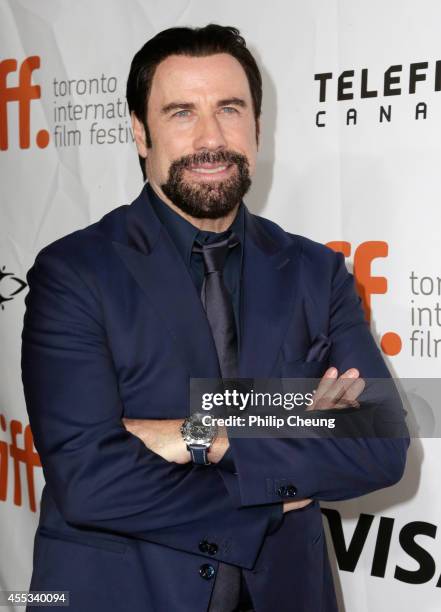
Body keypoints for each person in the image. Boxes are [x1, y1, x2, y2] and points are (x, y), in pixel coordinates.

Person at [21, 24, 409, 612]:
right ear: (139, 131)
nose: (211, 138)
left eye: (230, 109)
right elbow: (90, 482)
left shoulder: (316, 271)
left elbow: (381, 449)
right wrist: (287, 430)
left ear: (257, 125)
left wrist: (201, 434)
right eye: (181, 113)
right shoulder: (74, 273)